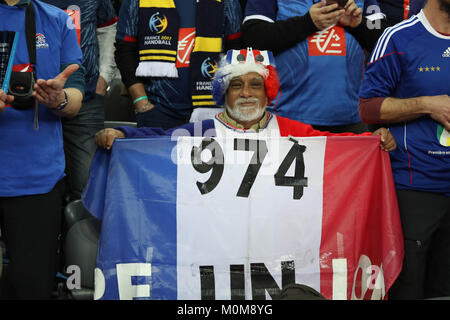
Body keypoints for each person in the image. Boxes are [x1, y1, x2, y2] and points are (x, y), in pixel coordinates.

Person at [95, 48, 396, 152]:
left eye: (256, 84)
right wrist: (121, 133)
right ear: (223, 93)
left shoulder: (292, 129)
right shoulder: (204, 130)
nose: (247, 93)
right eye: (236, 85)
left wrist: (373, 140)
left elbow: (338, 145)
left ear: (269, 92)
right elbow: (159, 140)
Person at [358, 0, 450, 299]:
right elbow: (368, 109)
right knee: (409, 288)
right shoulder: (398, 37)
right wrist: (427, 104)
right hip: (416, 186)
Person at [0, 0, 84, 299]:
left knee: (31, 288)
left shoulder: (57, 20)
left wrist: (58, 100)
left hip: (36, 179)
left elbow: (74, 97)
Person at [240, 0, 388, 134]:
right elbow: (253, 37)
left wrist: (358, 25)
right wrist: (308, 23)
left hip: (351, 120)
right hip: (287, 118)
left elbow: (384, 41)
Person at [114, 0, 244, 130]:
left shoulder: (228, 2)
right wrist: (141, 102)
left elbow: (236, 51)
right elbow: (125, 50)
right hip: (158, 111)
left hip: (212, 111)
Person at [40, 0, 118, 202]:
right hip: (34, 102)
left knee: (87, 185)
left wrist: (104, 76)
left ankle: (79, 234)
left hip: (87, 99)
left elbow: (107, 27)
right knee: (38, 186)